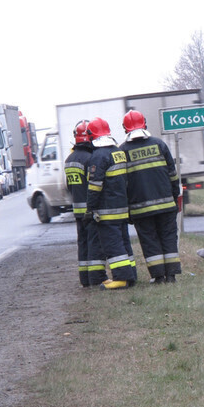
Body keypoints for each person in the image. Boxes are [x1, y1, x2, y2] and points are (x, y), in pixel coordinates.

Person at [119, 110, 182, 283]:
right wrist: (174, 198)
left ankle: (158, 277)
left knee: (149, 241)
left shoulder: (122, 151)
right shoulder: (159, 144)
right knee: (168, 237)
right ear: (144, 124)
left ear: (125, 128)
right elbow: (173, 175)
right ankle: (172, 275)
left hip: (140, 210)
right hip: (166, 205)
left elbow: (121, 185)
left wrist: (127, 211)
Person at [86, 117, 137, 290]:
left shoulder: (98, 156)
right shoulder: (118, 152)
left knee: (113, 245)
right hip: (122, 208)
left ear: (91, 135)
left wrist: (90, 208)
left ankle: (121, 279)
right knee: (124, 242)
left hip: (107, 210)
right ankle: (131, 275)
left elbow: (95, 186)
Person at [64, 120, 107, 287]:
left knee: (82, 244)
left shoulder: (69, 159)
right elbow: (94, 185)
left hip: (77, 210)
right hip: (90, 210)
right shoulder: (90, 159)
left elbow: (69, 186)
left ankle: (85, 279)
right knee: (94, 243)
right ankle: (96, 278)